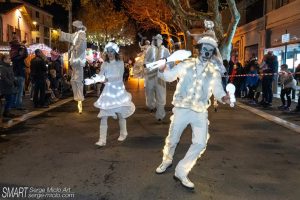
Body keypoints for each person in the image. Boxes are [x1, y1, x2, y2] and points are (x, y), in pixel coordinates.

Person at [155, 20, 231, 190]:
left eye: (210, 51)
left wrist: (224, 97)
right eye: (204, 49)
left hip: (200, 111)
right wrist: (162, 69)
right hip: (182, 108)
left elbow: (218, 89)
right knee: (173, 139)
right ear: (199, 49)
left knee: (200, 143)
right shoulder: (186, 64)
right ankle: (167, 160)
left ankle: (182, 170)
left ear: (213, 53)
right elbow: (169, 77)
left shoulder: (214, 71)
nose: (207, 53)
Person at [94, 42, 135, 147]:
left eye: (112, 51)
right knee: (104, 115)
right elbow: (100, 75)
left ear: (115, 52)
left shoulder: (120, 63)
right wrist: (95, 79)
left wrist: (107, 79)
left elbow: (119, 77)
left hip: (118, 91)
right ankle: (102, 140)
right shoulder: (105, 64)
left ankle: (123, 132)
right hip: (108, 92)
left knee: (121, 114)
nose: (110, 53)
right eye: (108, 52)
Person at [59, 20, 87, 113]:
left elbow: (82, 46)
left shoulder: (82, 34)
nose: (73, 28)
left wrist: (75, 49)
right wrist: (62, 33)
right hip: (75, 61)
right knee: (74, 79)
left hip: (78, 61)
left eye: (74, 26)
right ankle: (78, 98)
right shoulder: (76, 34)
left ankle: (79, 100)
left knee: (78, 80)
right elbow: (70, 36)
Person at [144, 34, 170, 121]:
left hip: (161, 77)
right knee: (149, 92)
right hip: (150, 75)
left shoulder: (166, 50)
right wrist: (149, 65)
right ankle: (151, 105)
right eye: (156, 39)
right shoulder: (150, 49)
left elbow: (170, 62)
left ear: (161, 40)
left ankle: (160, 115)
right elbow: (145, 60)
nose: (157, 41)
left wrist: (165, 67)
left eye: (159, 39)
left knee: (161, 95)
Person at [10, 37, 28, 110]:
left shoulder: (12, 53)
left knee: (14, 91)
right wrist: (24, 46)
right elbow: (25, 55)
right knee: (19, 91)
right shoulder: (18, 56)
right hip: (20, 75)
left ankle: (13, 104)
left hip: (15, 74)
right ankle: (18, 105)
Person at [0, 54, 16, 119]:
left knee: (10, 99)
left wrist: (14, 81)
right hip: (5, 87)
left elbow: (11, 75)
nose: (10, 60)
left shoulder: (9, 66)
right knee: (9, 99)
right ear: (4, 59)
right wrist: (10, 83)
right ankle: (6, 112)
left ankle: (7, 112)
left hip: (9, 86)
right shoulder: (2, 67)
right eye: (9, 58)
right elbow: (3, 77)